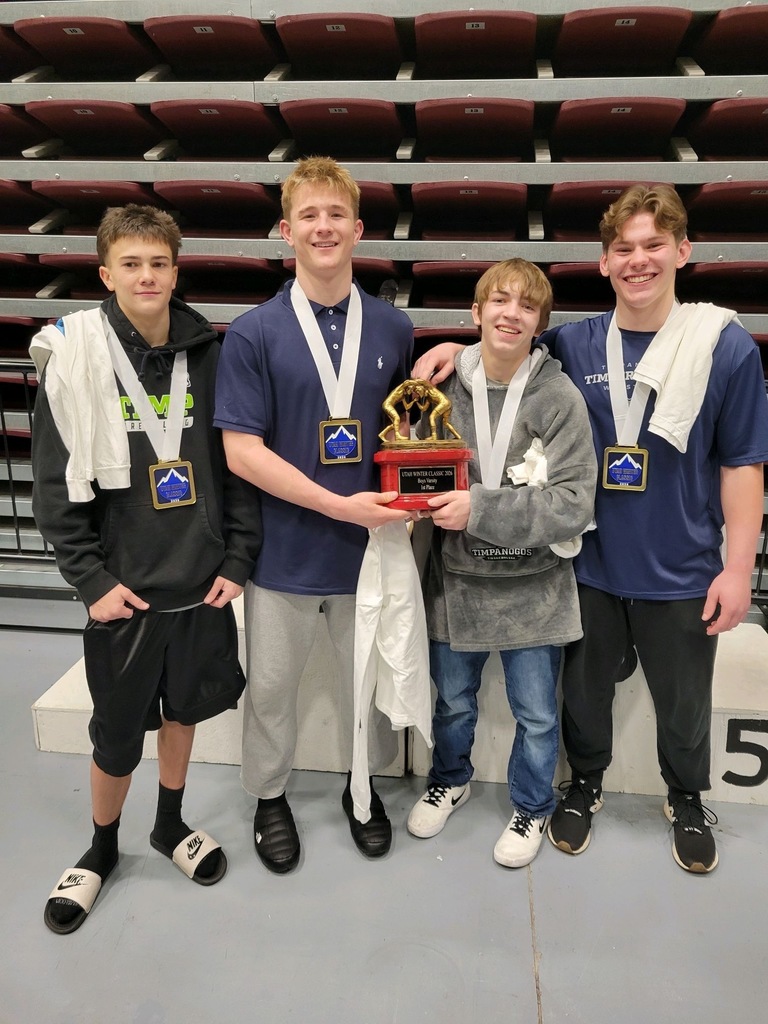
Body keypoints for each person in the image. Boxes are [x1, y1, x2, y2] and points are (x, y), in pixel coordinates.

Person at [413, 184, 768, 873]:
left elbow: (743, 465)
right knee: (581, 698)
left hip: (682, 565)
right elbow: (503, 348)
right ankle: (584, 786)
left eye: (654, 245)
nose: (639, 261)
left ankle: (686, 797)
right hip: (589, 565)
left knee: (684, 703)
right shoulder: (575, 343)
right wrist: (455, 344)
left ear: (683, 251)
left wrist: (736, 568)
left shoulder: (723, 347)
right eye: (623, 249)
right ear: (604, 262)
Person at [31, 204, 261, 935]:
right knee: (116, 734)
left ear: (175, 269)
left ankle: (169, 823)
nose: (146, 276)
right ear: (106, 274)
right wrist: (90, 581)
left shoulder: (209, 353)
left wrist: (238, 556)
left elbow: (237, 468)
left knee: (183, 713)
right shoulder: (76, 358)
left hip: (200, 584)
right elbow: (53, 484)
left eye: (158, 263)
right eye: (130, 264)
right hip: (124, 592)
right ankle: (102, 847)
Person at [214, 156, 413, 873]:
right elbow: (242, 453)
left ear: (357, 230)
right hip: (283, 552)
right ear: (286, 230)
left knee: (368, 684)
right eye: (308, 215)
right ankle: (269, 797)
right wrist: (338, 505)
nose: (322, 227)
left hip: (370, 553)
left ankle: (363, 790)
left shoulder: (393, 327)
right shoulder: (253, 333)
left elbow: (407, 432)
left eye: (336, 215)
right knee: (271, 690)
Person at [406, 259, 596, 867]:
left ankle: (532, 806)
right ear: (477, 311)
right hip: (455, 580)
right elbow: (415, 468)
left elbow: (574, 504)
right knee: (452, 701)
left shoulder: (560, 398)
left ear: (540, 323)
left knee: (536, 715)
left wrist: (479, 508)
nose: (512, 313)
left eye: (527, 306)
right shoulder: (441, 391)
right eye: (500, 300)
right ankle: (450, 779)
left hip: (534, 586)